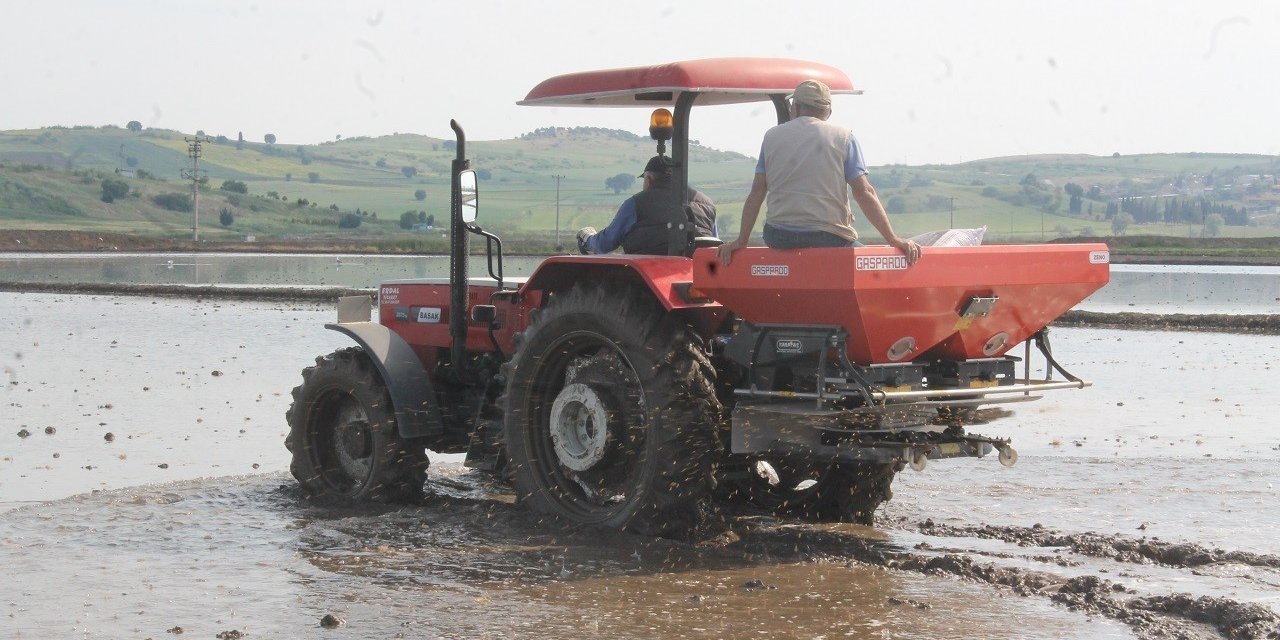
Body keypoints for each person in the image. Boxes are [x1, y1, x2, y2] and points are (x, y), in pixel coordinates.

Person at [717, 79, 920, 266]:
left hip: (778, 236)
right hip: (827, 236)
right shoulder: (844, 137)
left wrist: (741, 240)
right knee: (869, 264)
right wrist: (893, 239)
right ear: (828, 112)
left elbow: (757, 191)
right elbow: (864, 191)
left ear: (795, 107)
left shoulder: (771, 137)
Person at [577, 155, 716, 255]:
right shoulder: (708, 205)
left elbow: (605, 243)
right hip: (697, 271)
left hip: (648, 275)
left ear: (648, 179)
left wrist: (587, 238)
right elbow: (712, 241)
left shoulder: (636, 203)